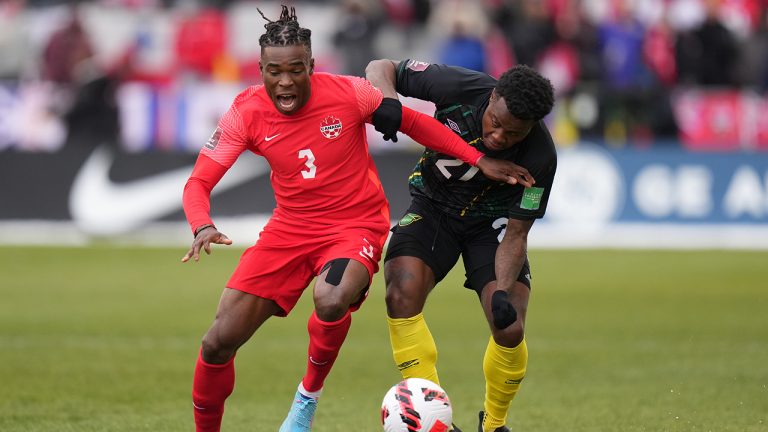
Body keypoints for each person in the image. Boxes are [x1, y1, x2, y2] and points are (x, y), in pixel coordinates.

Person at [181, 6, 531, 432]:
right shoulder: (245, 111)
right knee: (217, 343)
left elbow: (417, 124)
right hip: (289, 229)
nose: (285, 80)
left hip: (354, 226)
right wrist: (201, 224)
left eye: (296, 69)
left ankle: (305, 402)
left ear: (311, 65)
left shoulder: (350, 93)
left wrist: (478, 158)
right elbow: (198, 182)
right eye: (274, 71)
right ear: (260, 69)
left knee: (330, 299)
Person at [365, 58, 556, 432]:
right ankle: (432, 415)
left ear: (530, 128)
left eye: (513, 135)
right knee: (400, 293)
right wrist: (388, 101)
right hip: (433, 209)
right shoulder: (457, 85)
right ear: (493, 96)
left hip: (492, 226)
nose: (499, 137)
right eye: (495, 122)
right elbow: (380, 66)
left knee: (510, 326)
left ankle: (494, 423)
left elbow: (516, 233)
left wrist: (502, 290)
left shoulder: (541, 157)